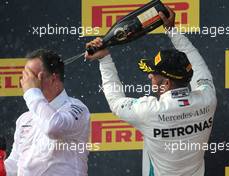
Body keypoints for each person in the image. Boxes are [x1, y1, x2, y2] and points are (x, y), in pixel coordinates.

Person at [85, 7, 217, 176]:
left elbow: (115, 101)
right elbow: (196, 64)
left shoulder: (149, 111)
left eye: (154, 74)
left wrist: (104, 59)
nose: (149, 77)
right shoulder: (207, 98)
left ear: (167, 83)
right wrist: (172, 30)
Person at [5, 49, 90, 176]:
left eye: (32, 76)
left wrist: (31, 92)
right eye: (25, 76)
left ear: (53, 78)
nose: (26, 82)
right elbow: (15, 163)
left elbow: (52, 127)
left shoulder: (77, 108)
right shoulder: (25, 118)